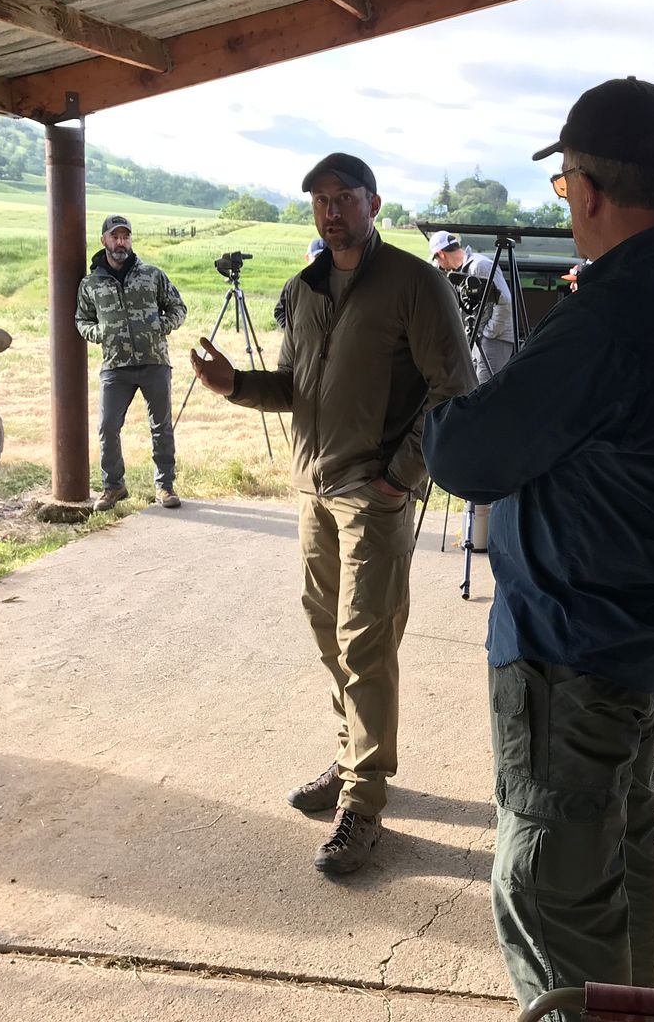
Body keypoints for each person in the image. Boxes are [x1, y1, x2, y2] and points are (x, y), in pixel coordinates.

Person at [422, 77, 654, 1017]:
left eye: (565, 188)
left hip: (570, 652)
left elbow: (471, 455)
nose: (569, 207)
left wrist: (446, 401)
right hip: (639, 640)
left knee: (550, 897)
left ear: (592, 190)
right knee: (621, 860)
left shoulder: (616, 316)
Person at [189, 153, 474, 875]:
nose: (331, 210)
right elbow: (299, 386)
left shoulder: (417, 283)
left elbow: (455, 390)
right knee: (327, 631)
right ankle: (351, 759)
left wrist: (401, 477)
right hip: (312, 490)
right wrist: (234, 385)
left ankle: (365, 802)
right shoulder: (305, 288)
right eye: (319, 200)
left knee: (364, 641)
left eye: (343, 197)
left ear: (372, 203)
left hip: (371, 495)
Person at [75, 213, 187, 511]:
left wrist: (161, 326)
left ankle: (164, 486)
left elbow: (177, 307)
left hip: (154, 362)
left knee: (161, 426)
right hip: (115, 366)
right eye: (115, 236)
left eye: (125, 236)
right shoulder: (91, 284)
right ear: (105, 240)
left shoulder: (151, 274)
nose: (121, 242)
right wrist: (98, 332)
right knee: (108, 427)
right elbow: (81, 320)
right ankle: (114, 486)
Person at [430, 230, 517, 381]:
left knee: (484, 391)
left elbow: (505, 301)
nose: (439, 265)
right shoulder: (461, 271)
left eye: (437, 259)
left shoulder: (480, 266)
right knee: (474, 389)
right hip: (478, 339)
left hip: (494, 339)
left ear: (441, 254)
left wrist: (489, 333)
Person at [274, 239, 324, 330]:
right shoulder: (294, 284)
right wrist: (292, 332)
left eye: (323, 257)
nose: (320, 261)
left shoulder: (336, 284)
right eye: (317, 256)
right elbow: (279, 311)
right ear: (307, 258)